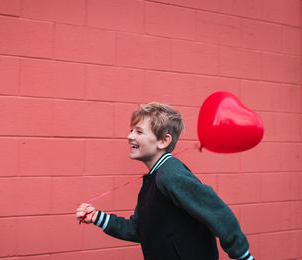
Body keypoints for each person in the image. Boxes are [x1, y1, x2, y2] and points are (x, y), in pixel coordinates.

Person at [76, 102, 254, 260]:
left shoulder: (170, 175)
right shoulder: (155, 179)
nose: (130, 136)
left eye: (138, 131)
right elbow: (139, 230)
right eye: (131, 130)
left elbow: (216, 211)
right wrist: (97, 217)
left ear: (163, 141)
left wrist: (243, 255)